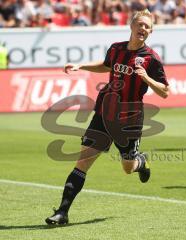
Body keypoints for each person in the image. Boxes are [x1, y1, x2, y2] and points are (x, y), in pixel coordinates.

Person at [45, 9, 169, 225]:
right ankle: (62, 213)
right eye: (140, 24)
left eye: (147, 27)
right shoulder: (116, 49)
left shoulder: (151, 59)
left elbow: (165, 91)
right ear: (131, 26)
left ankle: (141, 161)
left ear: (151, 31)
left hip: (130, 119)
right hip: (105, 113)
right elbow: (105, 65)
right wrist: (80, 65)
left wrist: (147, 78)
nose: (143, 29)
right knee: (83, 161)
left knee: (127, 167)